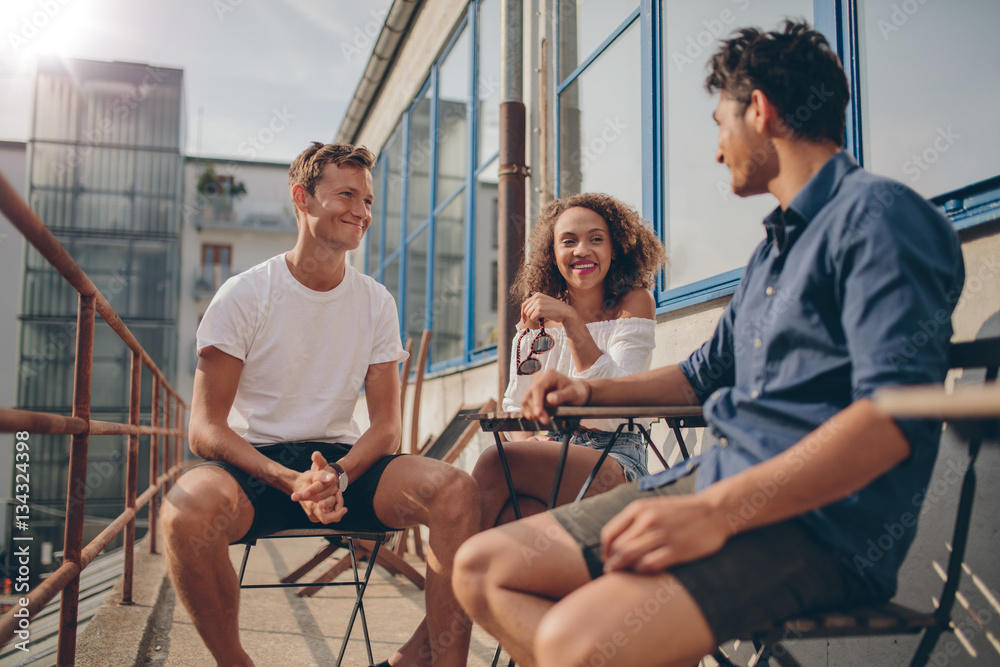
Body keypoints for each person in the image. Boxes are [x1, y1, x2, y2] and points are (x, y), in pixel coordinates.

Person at [452, 19, 965, 667]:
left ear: (762, 110)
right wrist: (588, 388)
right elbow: (699, 375)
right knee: (481, 567)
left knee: (571, 642)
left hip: (814, 528)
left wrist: (718, 513)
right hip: (708, 485)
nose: (719, 151)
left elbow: (889, 421)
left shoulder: (882, 221)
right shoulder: (774, 251)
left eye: (722, 125)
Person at [161, 142, 479, 667]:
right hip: (255, 466)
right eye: (347, 195)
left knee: (455, 491)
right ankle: (234, 661)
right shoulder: (244, 294)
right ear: (302, 200)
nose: (362, 210)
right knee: (184, 510)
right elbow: (205, 429)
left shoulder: (376, 300)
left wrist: (338, 475)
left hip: (342, 465)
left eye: (369, 200)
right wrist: (290, 481)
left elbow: (386, 429)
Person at [473, 193, 666, 529]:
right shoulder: (539, 318)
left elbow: (616, 408)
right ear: (553, 253)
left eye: (596, 239)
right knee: (514, 515)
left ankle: (460, 577)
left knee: (494, 463)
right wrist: (529, 442)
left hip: (615, 458)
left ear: (614, 248)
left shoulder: (634, 303)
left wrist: (572, 323)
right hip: (550, 453)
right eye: (569, 241)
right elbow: (515, 405)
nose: (581, 250)